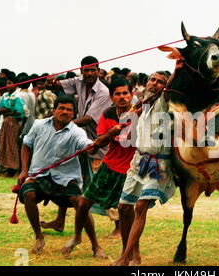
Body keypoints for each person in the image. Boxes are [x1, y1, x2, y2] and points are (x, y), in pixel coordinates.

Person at [17, 96, 106, 257]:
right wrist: (24, 171)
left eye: (69, 110)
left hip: (66, 179)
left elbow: (87, 146)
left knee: (81, 204)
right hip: (39, 175)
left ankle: (96, 246)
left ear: (73, 114)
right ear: (54, 110)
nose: (65, 112)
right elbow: (26, 145)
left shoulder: (77, 132)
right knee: (28, 193)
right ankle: (39, 237)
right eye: (61, 108)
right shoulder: (38, 125)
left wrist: (94, 145)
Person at [61, 78, 137, 256]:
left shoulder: (140, 112)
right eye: (117, 94)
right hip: (109, 165)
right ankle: (77, 237)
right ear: (111, 97)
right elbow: (101, 140)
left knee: (125, 210)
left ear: (132, 95)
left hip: (131, 169)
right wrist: (112, 133)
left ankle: (128, 252)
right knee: (83, 202)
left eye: (125, 93)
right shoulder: (108, 113)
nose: (122, 97)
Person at [112, 71, 174, 266]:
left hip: (159, 164)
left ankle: (124, 258)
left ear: (165, 87)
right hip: (139, 161)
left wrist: (178, 66)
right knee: (123, 208)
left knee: (140, 207)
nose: (154, 84)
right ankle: (134, 255)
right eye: (152, 80)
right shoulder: (141, 104)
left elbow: (170, 85)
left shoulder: (164, 101)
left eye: (160, 82)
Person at [43, 56, 112, 232]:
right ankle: (60, 221)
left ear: (98, 70)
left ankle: (119, 224)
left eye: (93, 70)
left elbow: (89, 119)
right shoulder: (78, 82)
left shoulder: (103, 92)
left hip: (98, 142)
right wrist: (51, 82)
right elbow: (58, 86)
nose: (89, 73)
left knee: (102, 183)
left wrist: (63, 124)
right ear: (81, 70)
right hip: (80, 140)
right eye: (86, 70)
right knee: (69, 178)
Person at [0, 74, 25, 177]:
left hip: (13, 123)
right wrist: (9, 111)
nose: (7, 85)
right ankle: (7, 168)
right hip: (5, 123)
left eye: (10, 83)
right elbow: (0, 109)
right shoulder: (5, 96)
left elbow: (19, 112)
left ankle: (14, 168)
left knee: (12, 146)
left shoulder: (17, 96)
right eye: (6, 83)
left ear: (15, 84)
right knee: (4, 145)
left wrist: (7, 111)